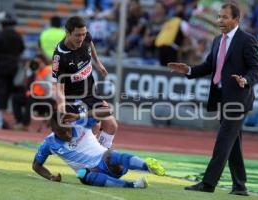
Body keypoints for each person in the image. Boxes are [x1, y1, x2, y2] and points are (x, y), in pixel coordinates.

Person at [168, 3, 258, 196]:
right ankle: (240, 186)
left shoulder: (247, 40)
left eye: (225, 17)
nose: (220, 20)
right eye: (219, 17)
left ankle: (208, 183)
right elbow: (209, 65)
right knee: (233, 144)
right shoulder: (218, 40)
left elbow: (256, 68)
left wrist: (245, 80)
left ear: (237, 20)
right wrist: (189, 70)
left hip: (238, 100)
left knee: (223, 141)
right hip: (221, 98)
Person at [32, 112, 165, 188]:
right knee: (82, 174)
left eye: (67, 130)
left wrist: (80, 115)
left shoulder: (81, 123)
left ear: (69, 123)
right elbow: (36, 165)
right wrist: (50, 176)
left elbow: (104, 112)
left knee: (112, 155)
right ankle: (134, 185)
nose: (67, 135)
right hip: (89, 172)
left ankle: (147, 166)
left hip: (108, 163)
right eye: (62, 133)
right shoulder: (49, 143)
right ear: (53, 131)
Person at [52, 16, 117, 149]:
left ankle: (101, 157)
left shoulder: (85, 37)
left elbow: (90, 43)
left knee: (111, 126)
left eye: (83, 34)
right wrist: (62, 109)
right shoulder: (60, 57)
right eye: (77, 35)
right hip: (75, 98)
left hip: (90, 92)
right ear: (68, 33)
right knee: (95, 126)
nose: (81, 38)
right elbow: (59, 88)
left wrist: (98, 63)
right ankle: (90, 162)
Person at [0, 12, 25, 129]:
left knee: (1, 91)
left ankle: (0, 116)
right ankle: (17, 118)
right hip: (13, 66)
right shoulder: (17, 36)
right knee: (10, 91)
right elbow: (21, 49)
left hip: (0, 66)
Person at [12, 54, 52, 130]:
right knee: (15, 98)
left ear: (43, 63)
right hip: (32, 96)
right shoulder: (32, 71)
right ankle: (19, 121)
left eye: (39, 63)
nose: (36, 65)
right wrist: (26, 70)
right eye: (35, 63)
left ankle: (25, 124)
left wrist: (37, 74)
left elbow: (47, 88)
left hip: (44, 98)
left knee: (31, 98)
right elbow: (18, 82)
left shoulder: (48, 71)